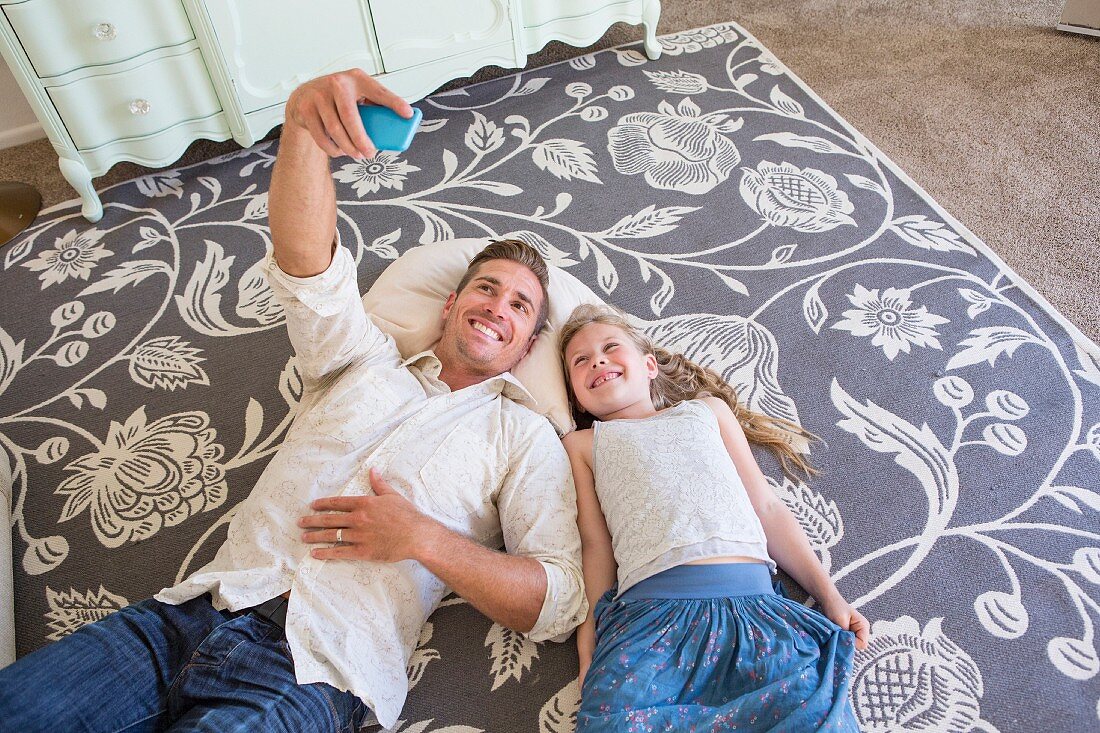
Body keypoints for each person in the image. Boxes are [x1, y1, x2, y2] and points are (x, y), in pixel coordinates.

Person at [0, 70, 586, 733]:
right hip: (190, 609)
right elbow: (310, 270)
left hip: (315, 666)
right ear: (452, 303)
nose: (494, 308)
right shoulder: (365, 357)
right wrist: (303, 132)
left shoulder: (524, 436)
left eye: (518, 306)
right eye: (485, 287)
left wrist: (425, 539)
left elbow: (558, 598)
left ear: (529, 341)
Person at [558, 303, 868, 731]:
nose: (598, 360)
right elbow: (596, 547)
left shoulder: (707, 412)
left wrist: (830, 596)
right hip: (649, 624)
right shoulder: (583, 444)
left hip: (754, 615)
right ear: (576, 395)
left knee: (809, 716)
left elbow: (767, 508)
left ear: (649, 366)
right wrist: (588, 640)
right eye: (581, 361)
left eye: (611, 347)